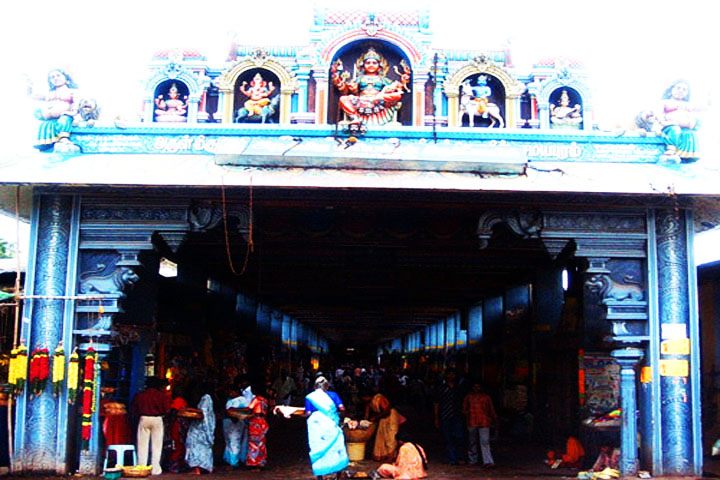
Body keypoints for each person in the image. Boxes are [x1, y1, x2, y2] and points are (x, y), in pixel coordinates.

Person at [330, 47, 411, 126]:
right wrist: (341, 82)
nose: (371, 65)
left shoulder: (383, 79)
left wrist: (404, 79)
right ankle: (354, 118)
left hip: (378, 100)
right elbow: (344, 92)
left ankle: (375, 102)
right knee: (343, 99)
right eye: (368, 63)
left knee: (397, 95)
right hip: (361, 100)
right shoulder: (359, 79)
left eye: (374, 63)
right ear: (363, 65)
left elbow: (397, 89)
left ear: (379, 66)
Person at [305, 376, 349, 480]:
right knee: (336, 448)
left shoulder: (310, 397)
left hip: (317, 429)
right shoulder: (333, 395)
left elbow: (308, 413)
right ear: (327, 386)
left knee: (318, 448)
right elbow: (342, 408)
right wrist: (339, 418)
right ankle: (338, 475)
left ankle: (320, 476)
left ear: (315, 387)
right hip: (332, 425)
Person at [131, 377, 170, 475]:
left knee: (142, 444)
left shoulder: (140, 395)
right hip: (157, 419)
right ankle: (155, 469)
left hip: (144, 418)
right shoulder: (161, 396)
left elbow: (134, 408)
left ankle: (142, 467)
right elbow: (167, 410)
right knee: (157, 445)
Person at [33, 68, 79, 151]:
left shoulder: (71, 92)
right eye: (52, 77)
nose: (55, 78)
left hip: (66, 116)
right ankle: (44, 143)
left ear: (66, 78)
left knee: (63, 120)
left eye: (58, 75)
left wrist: (73, 112)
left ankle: (63, 138)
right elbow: (36, 96)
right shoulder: (49, 93)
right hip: (50, 118)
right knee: (43, 125)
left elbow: (76, 103)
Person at [656, 80, 701, 162]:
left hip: (684, 126)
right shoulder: (664, 102)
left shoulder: (687, 104)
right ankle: (671, 149)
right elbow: (659, 116)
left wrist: (690, 122)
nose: (681, 91)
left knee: (690, 133)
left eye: (684, 89)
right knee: (675, 130)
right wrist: (668, 122)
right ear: (671, 90)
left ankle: (687, 155)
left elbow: (694, 114)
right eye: (678, 88)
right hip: (668, 126)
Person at [433, 370, 466, 465]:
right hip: (445, 415)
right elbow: (436, 403)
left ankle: (459, 456)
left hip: (457, 415)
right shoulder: (441, 389)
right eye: (449, 374)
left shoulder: (459, 389)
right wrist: (436, 417)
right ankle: (452, 458)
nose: (451, 376)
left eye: (453, 374)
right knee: (448, 438)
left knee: (459, 437)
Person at [462, 381, 497, 468]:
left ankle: (487, 461)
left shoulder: (486, 397)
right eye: (475, 387)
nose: (477, 388)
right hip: (472, 421)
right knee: (472, 442)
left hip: (483, 422)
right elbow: (464, 409)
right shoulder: (469, 397)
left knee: (484, 441)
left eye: (478, 387)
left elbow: (491, 410)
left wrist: (494, 419)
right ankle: (474, 460)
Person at [223, 376, 254, 468]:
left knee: (234, 441)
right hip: (229, 423)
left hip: (236, 423)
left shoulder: (242, 400)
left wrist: (234, 413)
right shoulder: (231, 400)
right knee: (230, 441)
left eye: (232, 391)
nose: (230, 393)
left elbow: (243, 412)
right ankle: (231, 459)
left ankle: (234, 462)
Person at [185, 385, 216, 474]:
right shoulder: (207, 398)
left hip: (201, 428)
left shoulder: (206, 398)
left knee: (196, 447)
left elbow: (203, 413)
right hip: (204, 428)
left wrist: (189, 409)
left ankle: (197, 469)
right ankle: (205, 467)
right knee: (204, 448)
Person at [366, 391, 406, 462]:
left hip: (391, 418)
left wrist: (376, 418)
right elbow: (367, 415)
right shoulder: (369, 403)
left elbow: (387, 411)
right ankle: (383, 456)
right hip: (383, 420)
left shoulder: (379, 398)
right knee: (382, 437)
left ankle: (391, 456)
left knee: (391, 437)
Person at [245, 382, 270, 469]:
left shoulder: (256, 399)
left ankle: (255, 463)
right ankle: (262, 461)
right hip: (263, 422)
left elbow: (249, 409)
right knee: (262, 443)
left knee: (254, 443)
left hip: (256, 422)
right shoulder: (265, 400)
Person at [165, 387, 189, 473]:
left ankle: (175, 465)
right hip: (178, 426)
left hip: (177, 426)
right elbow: (174, 412)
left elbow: (173, 412)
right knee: (178, 445)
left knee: (178, 445)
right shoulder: (180, 400)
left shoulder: (177, 400)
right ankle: (175, 465)